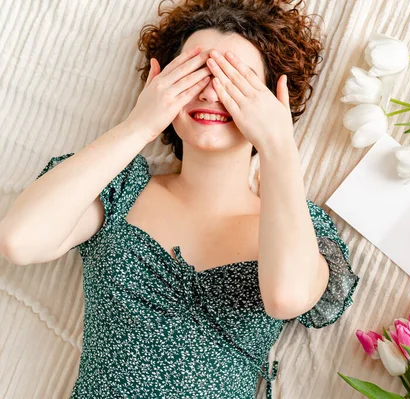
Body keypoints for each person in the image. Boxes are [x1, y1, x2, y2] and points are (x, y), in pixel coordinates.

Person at [0, 0, 360, 398]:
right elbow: (19, 240)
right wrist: (139, 124)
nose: (210, 91)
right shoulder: (122, 188)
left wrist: (278, 145)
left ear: (276, 97)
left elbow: (286, 297)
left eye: (234, 78)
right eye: (195, 72)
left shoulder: (303, 226)